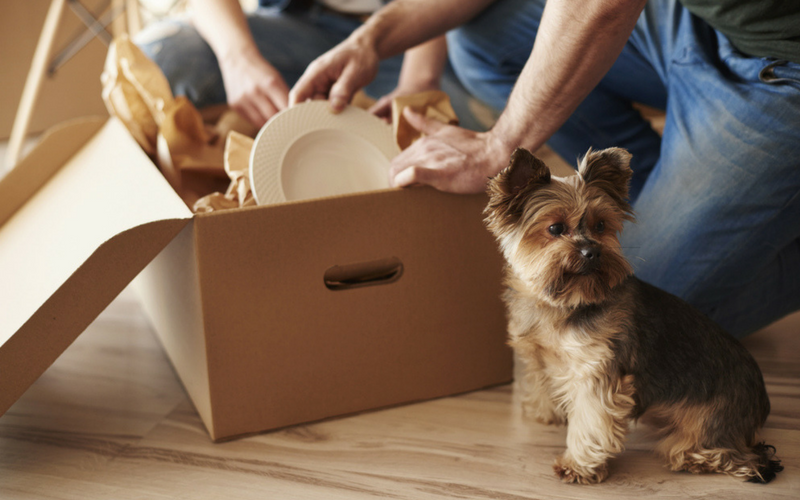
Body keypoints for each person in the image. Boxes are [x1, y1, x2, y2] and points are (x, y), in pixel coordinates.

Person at [289, 0, 800, 337]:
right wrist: (372, 38)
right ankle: (658, 213)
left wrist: (499, 146)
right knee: (484, 38)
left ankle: (750, 216)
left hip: (787, 66)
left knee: (619, 319)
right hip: (696, 20)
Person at [134, 0, 486, 130]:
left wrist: (418, 82)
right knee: (157, 56)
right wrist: (238, 59)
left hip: (411, 30)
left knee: (465, 134)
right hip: (300, 24)